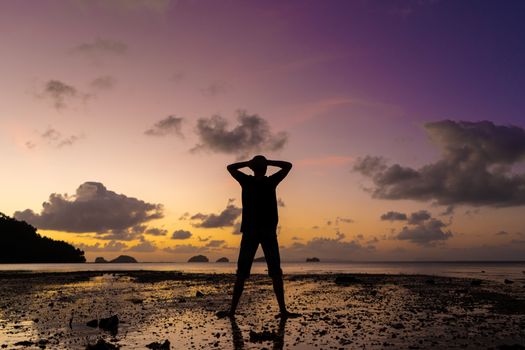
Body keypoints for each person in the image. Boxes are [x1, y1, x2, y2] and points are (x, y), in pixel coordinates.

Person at [221, 155, 299, 319]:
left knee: (243, 272)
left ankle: (232, 311)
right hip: (265, 232)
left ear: (253, 168)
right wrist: (269, 162)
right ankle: (283, 310)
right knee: (274, 271)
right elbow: (288, 164)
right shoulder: (270, 181)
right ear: (264, 169)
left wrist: (248, 164)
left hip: (252, 232)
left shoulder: (248, 181)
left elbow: (230, 167)